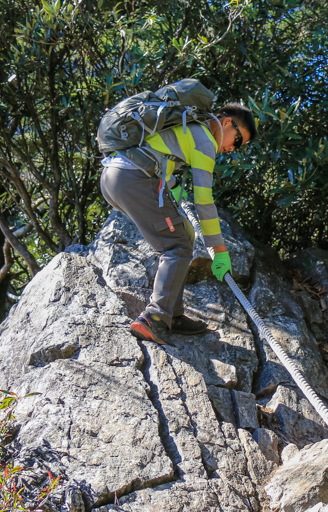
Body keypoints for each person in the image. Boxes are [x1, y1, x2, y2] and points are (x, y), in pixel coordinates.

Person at [100, 100, 256, 345]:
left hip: (113, 177)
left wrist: (171, 186)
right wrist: (220, 250)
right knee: (176, 247)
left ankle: (173, 314)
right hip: (134, 178)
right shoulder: (204, 140)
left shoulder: (188, 127)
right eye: (237, 140)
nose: (232, 149)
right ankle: (154, 318)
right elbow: (204, 203)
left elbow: (160, 153)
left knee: (184, 234)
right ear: (227, 123)